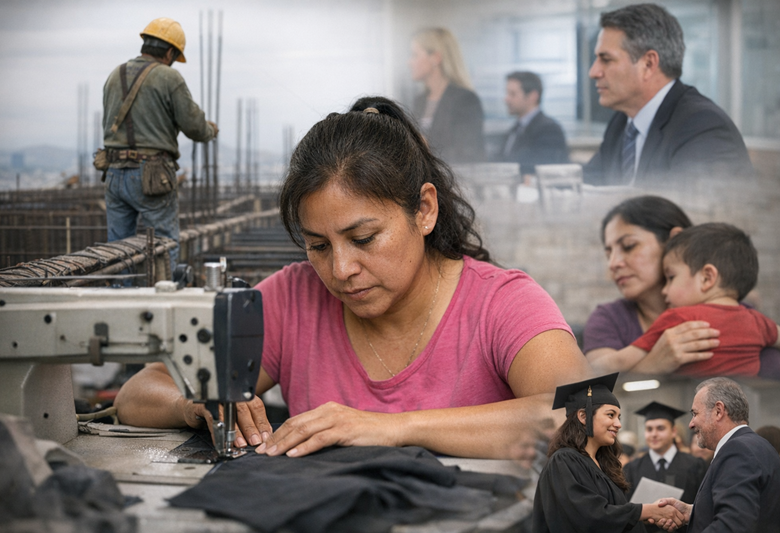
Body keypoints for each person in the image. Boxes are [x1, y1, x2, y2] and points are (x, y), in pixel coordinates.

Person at [114, 96, 593, 460]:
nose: (340, 270)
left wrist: (391, 427)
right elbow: (138, 393)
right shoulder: (293, 298)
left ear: (424, 210)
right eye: (318, 246)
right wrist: (195, 405)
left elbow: (584, 414)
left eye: (363, 238)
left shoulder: (502, 304)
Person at [583, 195, 780, 377]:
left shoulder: (744, 315)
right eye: (608, 254)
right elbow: (590, 386)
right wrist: (651, 365)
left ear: (674, 239)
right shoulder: (608, 320)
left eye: (629, 246)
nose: (613, 264)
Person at [583, 4, 753, 186]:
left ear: (648, 64)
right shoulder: (621, 123)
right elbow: (588, 186)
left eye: (606, 59)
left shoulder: (702, 127)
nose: (593, 72)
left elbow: (686, 204)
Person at [102, 17, 217, 270]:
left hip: (114, 172)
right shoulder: (168, 77)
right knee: (164, 244)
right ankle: (163, 290)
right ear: (169, 52)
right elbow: (194, 126)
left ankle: (119, 291)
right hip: (152, 175)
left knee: (118, 250)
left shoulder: (115, 75)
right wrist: (210, 130)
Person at [532, 373, 684, 532]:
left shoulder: (603, 464)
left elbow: (612, 516)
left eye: (619, 417)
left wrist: (642, 518)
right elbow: (588, 517)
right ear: (583, 416)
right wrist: (645, 511)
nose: (618, 424)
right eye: (610, 415)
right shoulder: (564, 460)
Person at [627, 223, 780, 377]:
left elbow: (623, 361)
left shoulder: (678, 318)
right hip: (744, 392)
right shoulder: (758, 321)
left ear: (707, 278)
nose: (664, 290)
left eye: (671, 277)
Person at [657, 378, 780, 532]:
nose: (691, 424)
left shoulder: (737, 450)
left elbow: (733, 525)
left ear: (718, 411)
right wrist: (693, 512)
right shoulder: (758, 445)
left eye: (695, 414)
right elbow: (749, 509)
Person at [624, 402, 707, 533]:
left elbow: (704, 506)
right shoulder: (631, 468)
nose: (654, 434)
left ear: (674, 432)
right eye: (649, 429)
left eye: (660, 428)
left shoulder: (696, 465)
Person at [409, 28, 486, 164]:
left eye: (414, 55)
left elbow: (468, 152)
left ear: (435, 58)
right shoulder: (419, 101)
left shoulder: (465, 100)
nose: (409, 62)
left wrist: (426, 147)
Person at [493, 71, 569, 175]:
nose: (506, 99)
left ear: (532, 96)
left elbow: (535, 167)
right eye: (507, 93)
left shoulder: (549, 130)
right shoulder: (515, 129)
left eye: (512, 94)